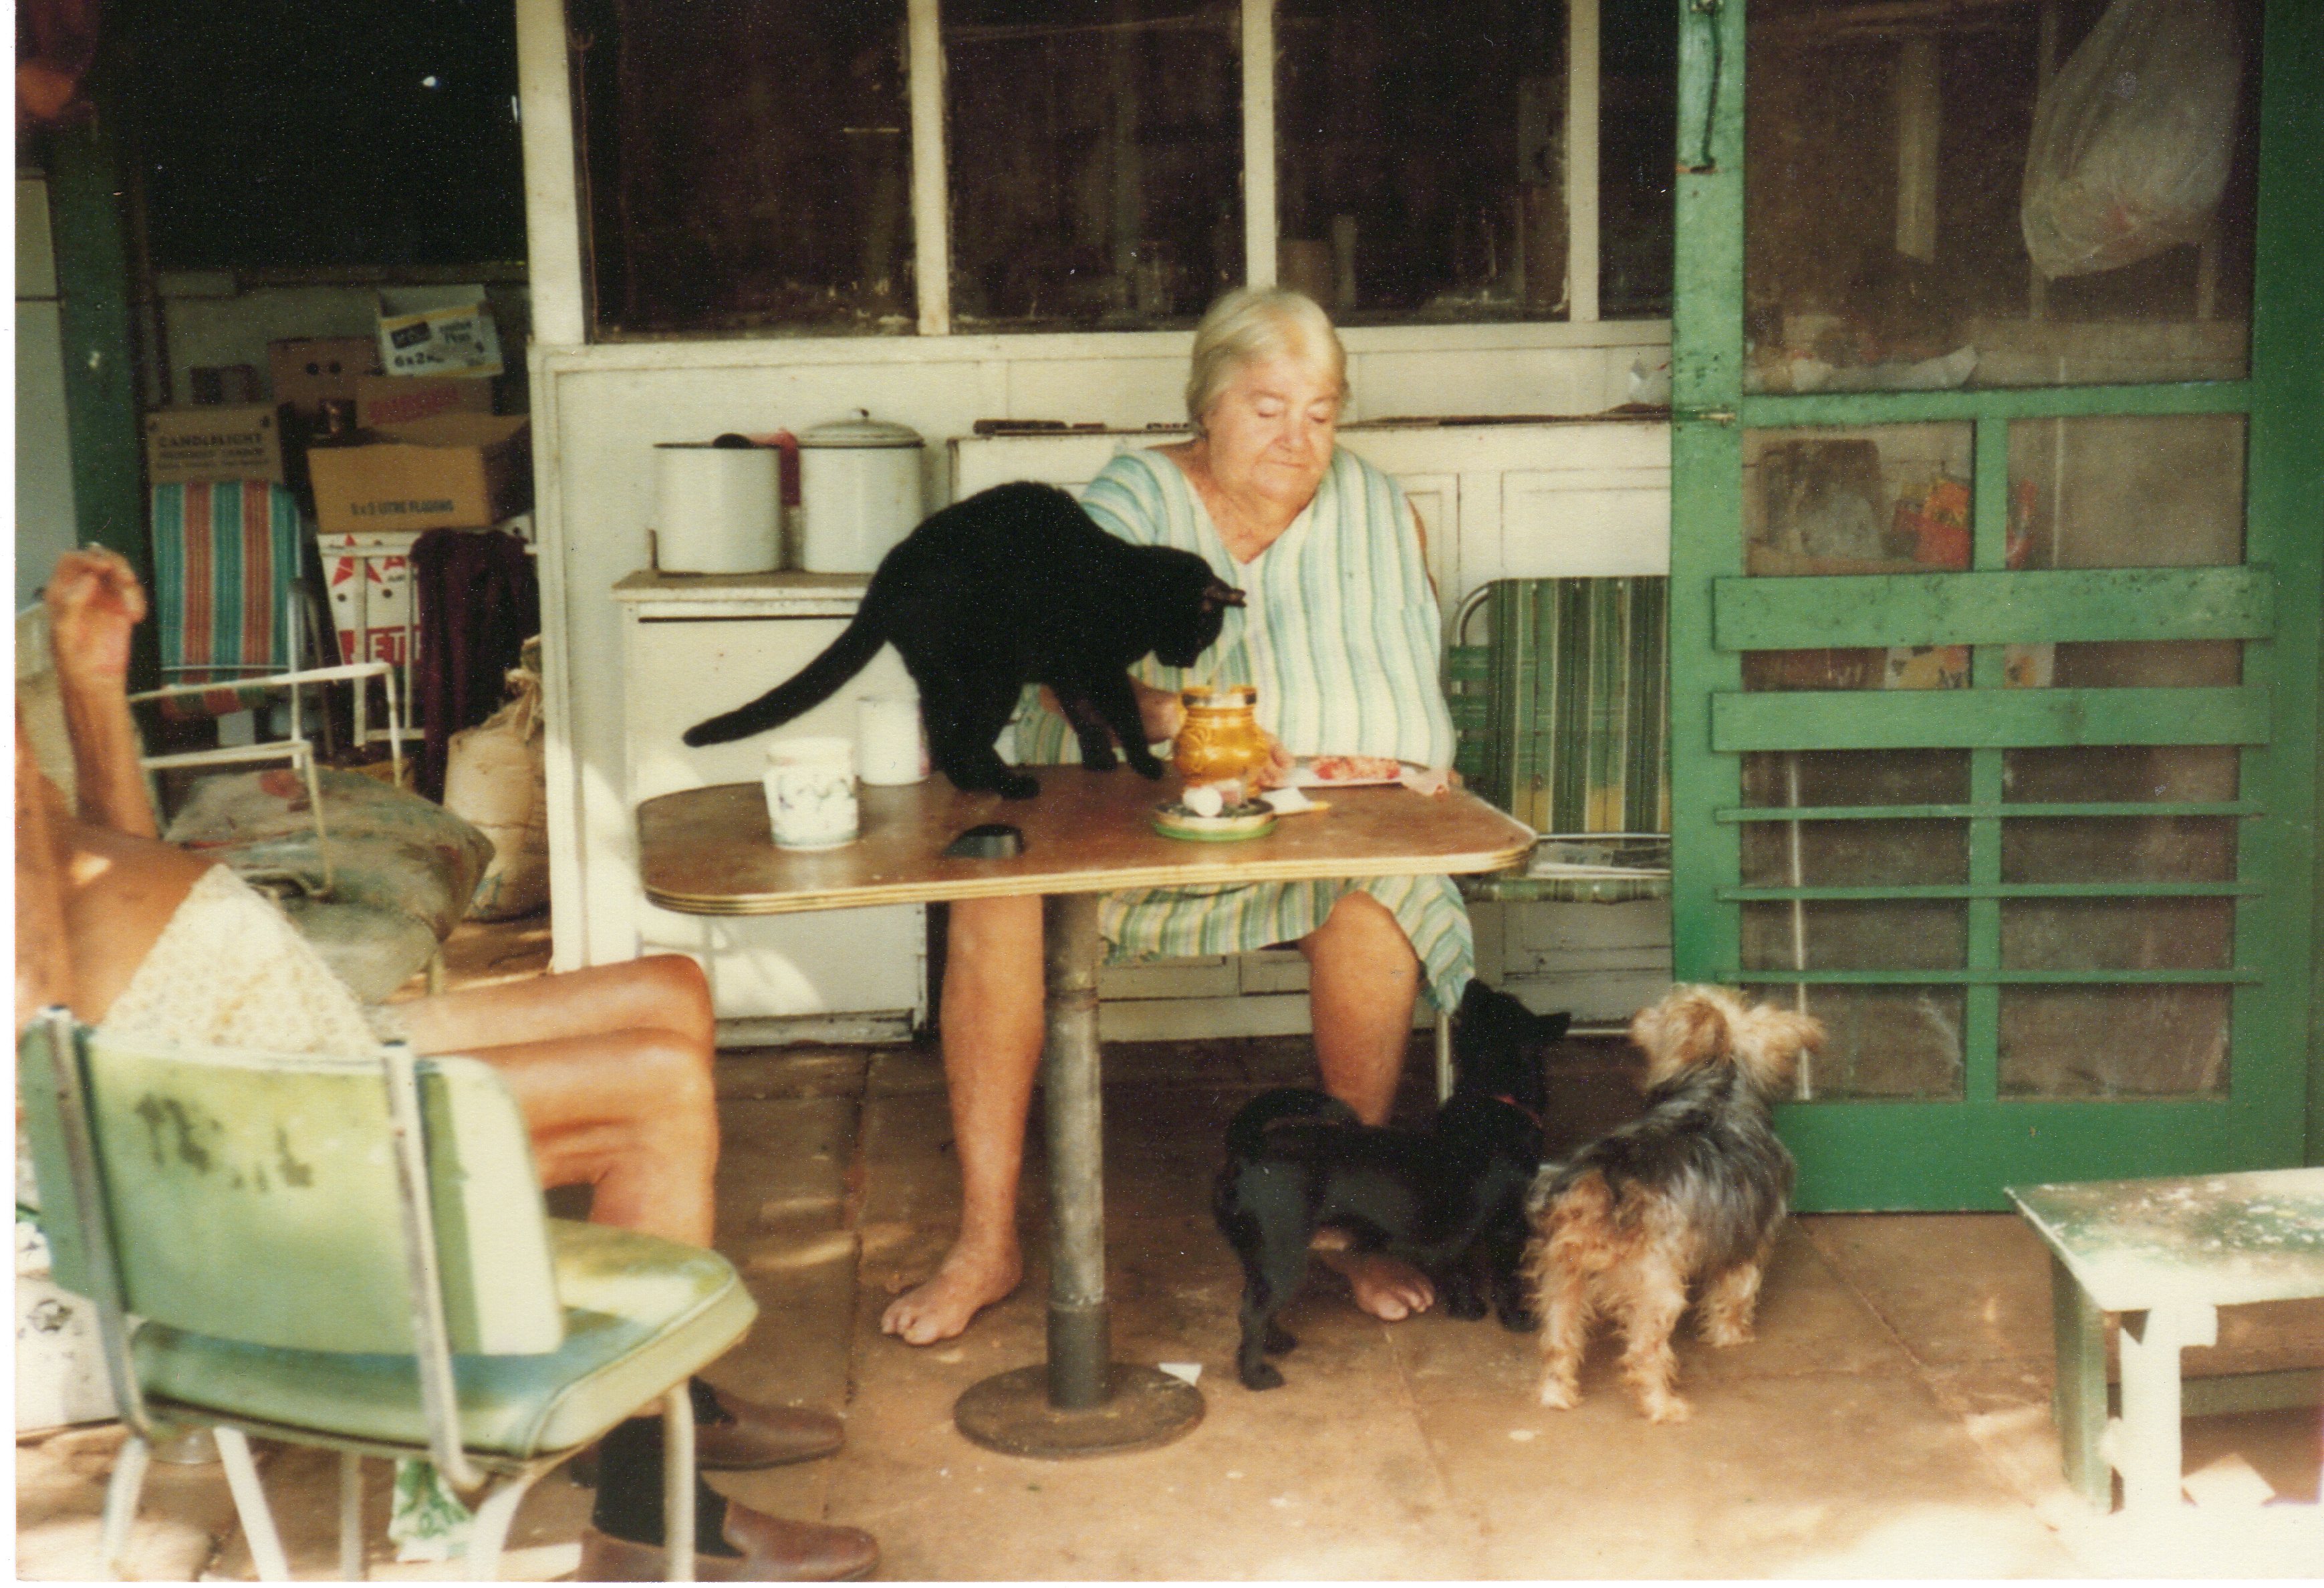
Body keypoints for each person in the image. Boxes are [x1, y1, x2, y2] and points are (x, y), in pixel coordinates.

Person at [16, 548, 876, 1583]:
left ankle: (660, 1401)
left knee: (667, 990)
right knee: (654, 1091)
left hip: (298, 1042)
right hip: (265, 1131)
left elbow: (106, 885)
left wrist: (90, 685)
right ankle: (653, 1502)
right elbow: (38, 1012)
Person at [881, 287, 1474, 1347]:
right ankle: (985, 1239)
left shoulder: (1378, 510)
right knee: (995, 904)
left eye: (1321, 411)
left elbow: (1395, 669)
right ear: (1207, 405)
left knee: (1389, 898)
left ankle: (1344, 1218)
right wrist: (1158, 711)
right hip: (1126, 826)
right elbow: (1042, 642)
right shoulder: (1132, 499)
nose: (1298, 437)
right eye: (1267, 406)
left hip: (1320, 826)